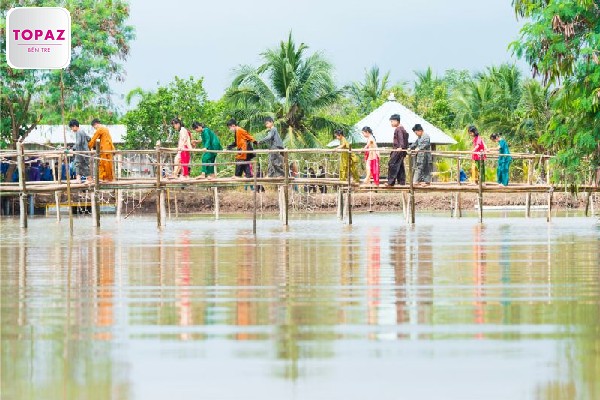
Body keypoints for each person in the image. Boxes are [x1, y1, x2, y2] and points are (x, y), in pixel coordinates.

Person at [386, 114, 409, 186]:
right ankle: (402, 182)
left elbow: (401, 138)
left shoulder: (398, 129)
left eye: (392, 121)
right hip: (401, 150)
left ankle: (390, 182)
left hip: (398, 150)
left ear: (396, 121)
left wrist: (401, 147)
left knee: (392, 164)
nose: (391, 123)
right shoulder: (403, 129)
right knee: (400, 165)